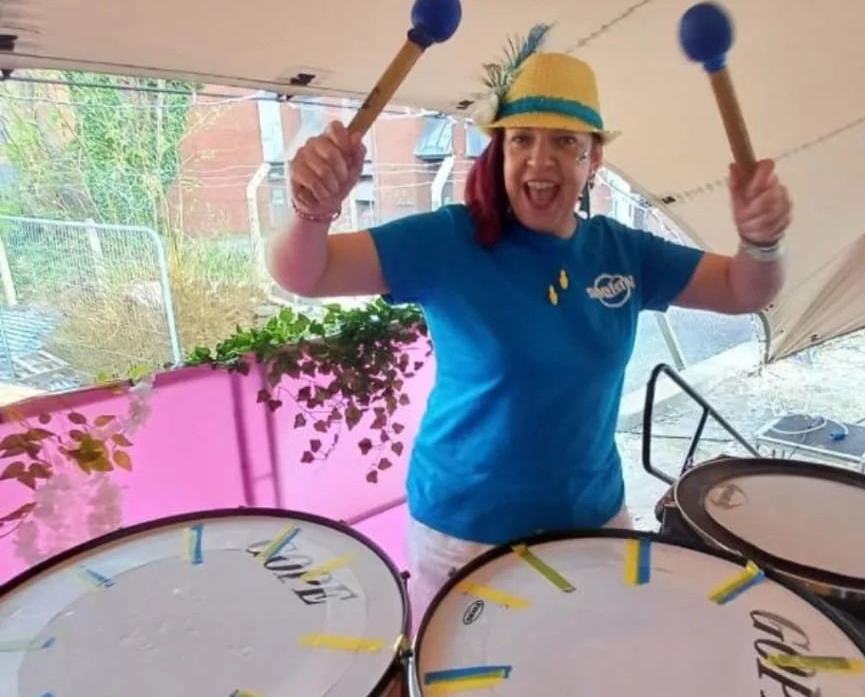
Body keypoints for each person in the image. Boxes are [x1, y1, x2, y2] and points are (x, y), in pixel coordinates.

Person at [267, 31, 792, 622]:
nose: (540, 161)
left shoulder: (623, 253)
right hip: (463, 536)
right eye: (522, 140)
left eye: (565, 142)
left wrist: (761, 239)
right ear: (500, 152)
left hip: (592, 522)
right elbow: (305, 272)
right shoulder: (447, 241)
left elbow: (746, 289)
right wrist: (313, 209)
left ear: (593, 159)